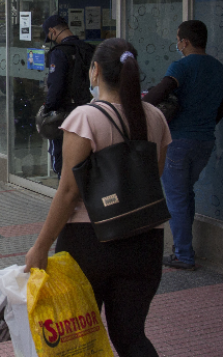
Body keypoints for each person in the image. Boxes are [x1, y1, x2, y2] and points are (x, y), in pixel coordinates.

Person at [25, 39, 171, 357]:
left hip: (88, 243)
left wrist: (40, 247)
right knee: (131, 336)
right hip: (146, 241)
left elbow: (67, 192)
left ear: (96, 72)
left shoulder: (85, 118)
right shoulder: (156, 118)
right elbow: (153, 176)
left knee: (78, 339)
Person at [144, 20, 223, 271]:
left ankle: (183, 255)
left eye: (178, 40)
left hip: (179, 141)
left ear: (185, 42)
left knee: (176, 198)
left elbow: (162, 90)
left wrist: (139, 109)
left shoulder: (182, 66)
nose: (177, 44)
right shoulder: (218, 68)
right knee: (186, 194)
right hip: (205, 141)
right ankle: (184, 249)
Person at [42, 15, 94, 178]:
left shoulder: (58, 53)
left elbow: (55, 85)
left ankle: (65, 196)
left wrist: (47, 110)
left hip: (65, 114)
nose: (51, 39)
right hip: (88, 111)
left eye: (50, 36)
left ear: (53, 31)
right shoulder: (88, 49)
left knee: (62, 162)